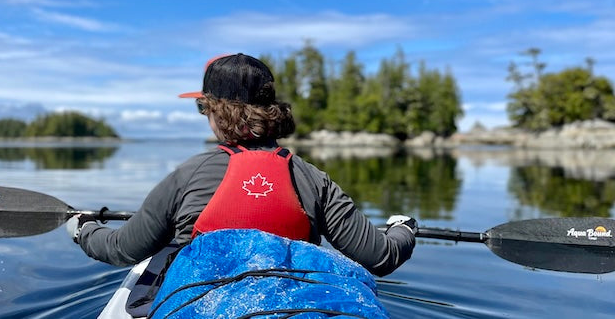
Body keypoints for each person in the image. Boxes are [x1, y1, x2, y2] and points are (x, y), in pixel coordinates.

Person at [66, 53, 416, 277]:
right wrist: (404, 228)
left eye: (203, 108)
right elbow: (380, 256)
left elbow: (123, 249)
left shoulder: (188, 176)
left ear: (218, 111)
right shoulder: (313, 179)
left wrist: (82, 229)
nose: (204, 116)